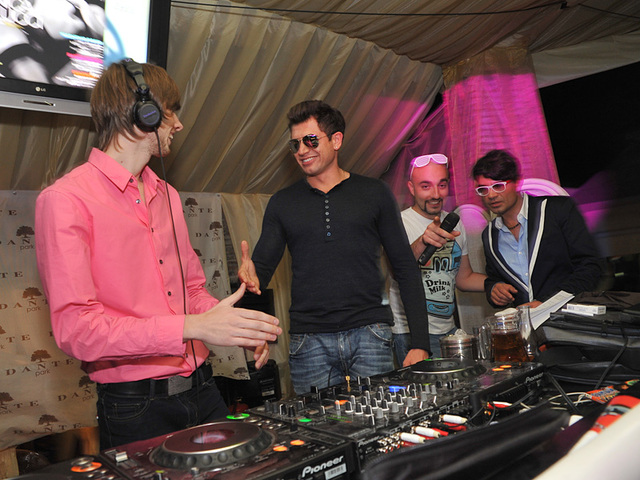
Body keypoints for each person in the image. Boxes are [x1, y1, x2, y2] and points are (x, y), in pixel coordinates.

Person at [34, 60, 282, 449]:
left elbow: (191, 291)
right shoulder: (65, 200)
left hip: (203, 389)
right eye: (170, 113)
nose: (178, 125)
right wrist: (193, 327)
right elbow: (77, 331)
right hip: (136, 409)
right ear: (141, 115)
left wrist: (232, 325)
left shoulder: (167, 195)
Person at [238, 100, 430, 394]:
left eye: (310, 140)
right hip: (309, 342)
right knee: (315, 423)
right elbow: (259, 273)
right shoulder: (282, 203)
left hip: (370, 334)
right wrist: (250, 283)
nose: (302, 150)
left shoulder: (374, 193)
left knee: (377, 420)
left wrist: (420, 343)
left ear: (336, 140)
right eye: (295, 144)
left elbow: (405, 268)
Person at [472, 149, 602, 308]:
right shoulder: (489, 235)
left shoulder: (557, 210)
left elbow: (591, 266)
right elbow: (495, 278)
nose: (491, 195)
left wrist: (548, 304)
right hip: (525, 322)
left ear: (517, 182)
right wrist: (494, 288)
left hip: (568, 316)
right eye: (483, 189)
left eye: (498, 186)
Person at [389, 154, 487, 359]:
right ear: (411, 188)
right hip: (411, 335)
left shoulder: (454, 223)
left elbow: (464, 278)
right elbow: (398, 270)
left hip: (448, 331)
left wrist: (498, 283)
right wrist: (423, 242)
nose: (435, 194)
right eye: (425, 186)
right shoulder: (398, 223)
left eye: (441, 185)